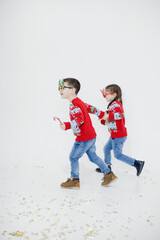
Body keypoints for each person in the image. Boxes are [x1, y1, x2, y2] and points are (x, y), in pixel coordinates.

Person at [57, 78, 118, 188]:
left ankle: (75, 180)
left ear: (72, 90)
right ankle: (109, 174)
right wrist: (101, 114)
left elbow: (79, 120)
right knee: (93, 157)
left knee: (73, 158)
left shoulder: (74, 105)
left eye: (63, 87)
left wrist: (66, 125)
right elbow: (90, 108)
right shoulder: (78, 102)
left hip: (84, 138)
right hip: (91, 136)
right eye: (59, 88)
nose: (60, 90)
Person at [95, 84, 145, 176]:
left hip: (119, 136)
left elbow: (120, 115)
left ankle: (137, 163)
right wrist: (103, 120)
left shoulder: (116, 105)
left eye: (106, 94)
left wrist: (107, 116)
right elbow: (111, 122)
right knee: (106, 149)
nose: (104, 96)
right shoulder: (112, 106)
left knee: (118, 155)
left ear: (114, 95)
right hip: (114, 135)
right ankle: (107, 167)